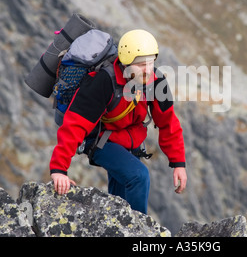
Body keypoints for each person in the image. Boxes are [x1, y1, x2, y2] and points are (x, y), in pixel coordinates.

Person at [49, 29, 187, 214]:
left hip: (130, 140)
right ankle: (140, 233)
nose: (147, 70)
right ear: (125, 63)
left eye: (150, 62)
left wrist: (178, 163)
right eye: (140, 65)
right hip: (101, 140)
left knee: (120, 200)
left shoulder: (155, 81)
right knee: (138, 176)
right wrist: (59, 169)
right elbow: (75, 124)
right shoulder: (103, 81)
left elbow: (168, 123)